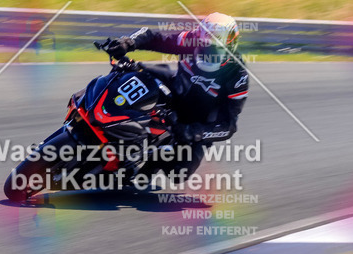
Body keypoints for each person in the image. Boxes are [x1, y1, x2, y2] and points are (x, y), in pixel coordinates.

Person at [101, 12, 250, 181]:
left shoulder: (237, 73)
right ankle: (100, 115)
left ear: (230, 47)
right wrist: (128, 42)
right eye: (204, 44)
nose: (207, 51)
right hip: (175, 92)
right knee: (129, 70)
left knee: (179, 174)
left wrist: (194, 132)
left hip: (198, 122)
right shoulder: (189, 40)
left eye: (214, 48)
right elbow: (154, 37)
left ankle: (152, 161)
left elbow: (229, 126)